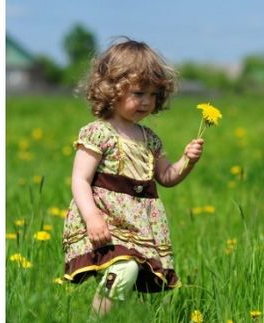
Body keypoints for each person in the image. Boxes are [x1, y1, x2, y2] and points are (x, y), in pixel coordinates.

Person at [62, 37, 204, 317]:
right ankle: (97, 318)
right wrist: (92, 217)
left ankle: (107, 315)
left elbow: (166, 177)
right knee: (124, 268)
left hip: (139, 224)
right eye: (138, 93)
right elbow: (79, 179)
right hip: (105, 218)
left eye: (153, 95)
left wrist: (188, 160)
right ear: (112, 89)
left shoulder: (150, 139)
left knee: (129, 271)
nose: (146, 102)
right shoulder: (98, 132)